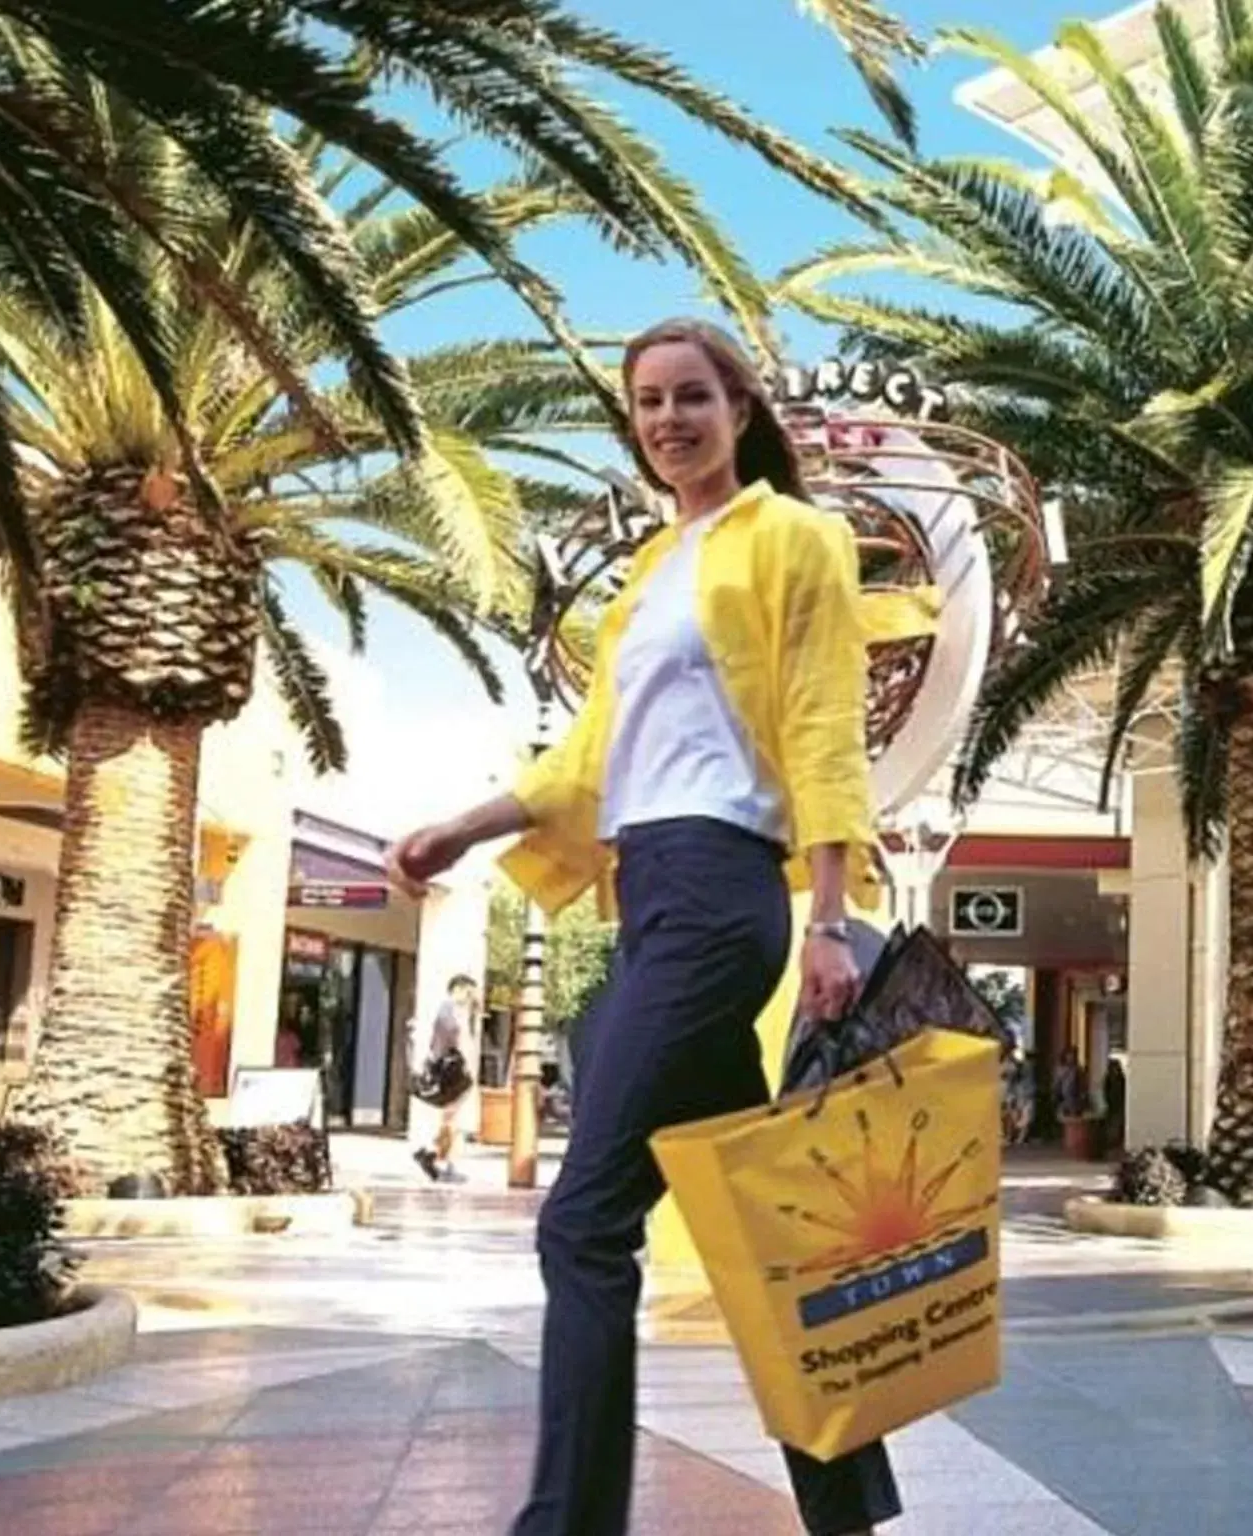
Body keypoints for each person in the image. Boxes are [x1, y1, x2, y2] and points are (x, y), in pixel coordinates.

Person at [387, 318, 898, 1536]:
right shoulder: (651, 575)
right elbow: (591, 757)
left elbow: (827, 724)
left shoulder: (794, 539)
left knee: (583, 1218)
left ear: (739, 408)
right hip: (649, 897)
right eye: (649, 403)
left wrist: (830, 917)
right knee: (750, 1222)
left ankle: (565, 1525)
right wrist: (464, 827)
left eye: (693, 398)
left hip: (725, 901)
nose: (669, 420)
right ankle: (846, 1509)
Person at [412, 975, 478, 1182]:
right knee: (453, 1118)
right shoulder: (449, 1008)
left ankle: (434, 1154)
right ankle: (445, 1162)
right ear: (458, 989)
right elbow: (450, 1033)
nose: (470, 997)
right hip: (451, 1069)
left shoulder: (453, 1010)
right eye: (468, 992)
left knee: (450, 1117)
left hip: (451, 1067)